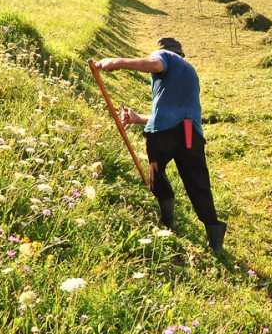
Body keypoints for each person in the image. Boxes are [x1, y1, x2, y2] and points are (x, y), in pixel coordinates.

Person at [95, 37, 227, 254]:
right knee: (198, 183)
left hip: (163, 135)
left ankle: (168, 221)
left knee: (156, 173)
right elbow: (174, 114)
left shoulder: (166, 57)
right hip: (189, 134)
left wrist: (117, 62)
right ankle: (214, 237)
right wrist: (139, 119)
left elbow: (155, 64)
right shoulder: (190, 73)